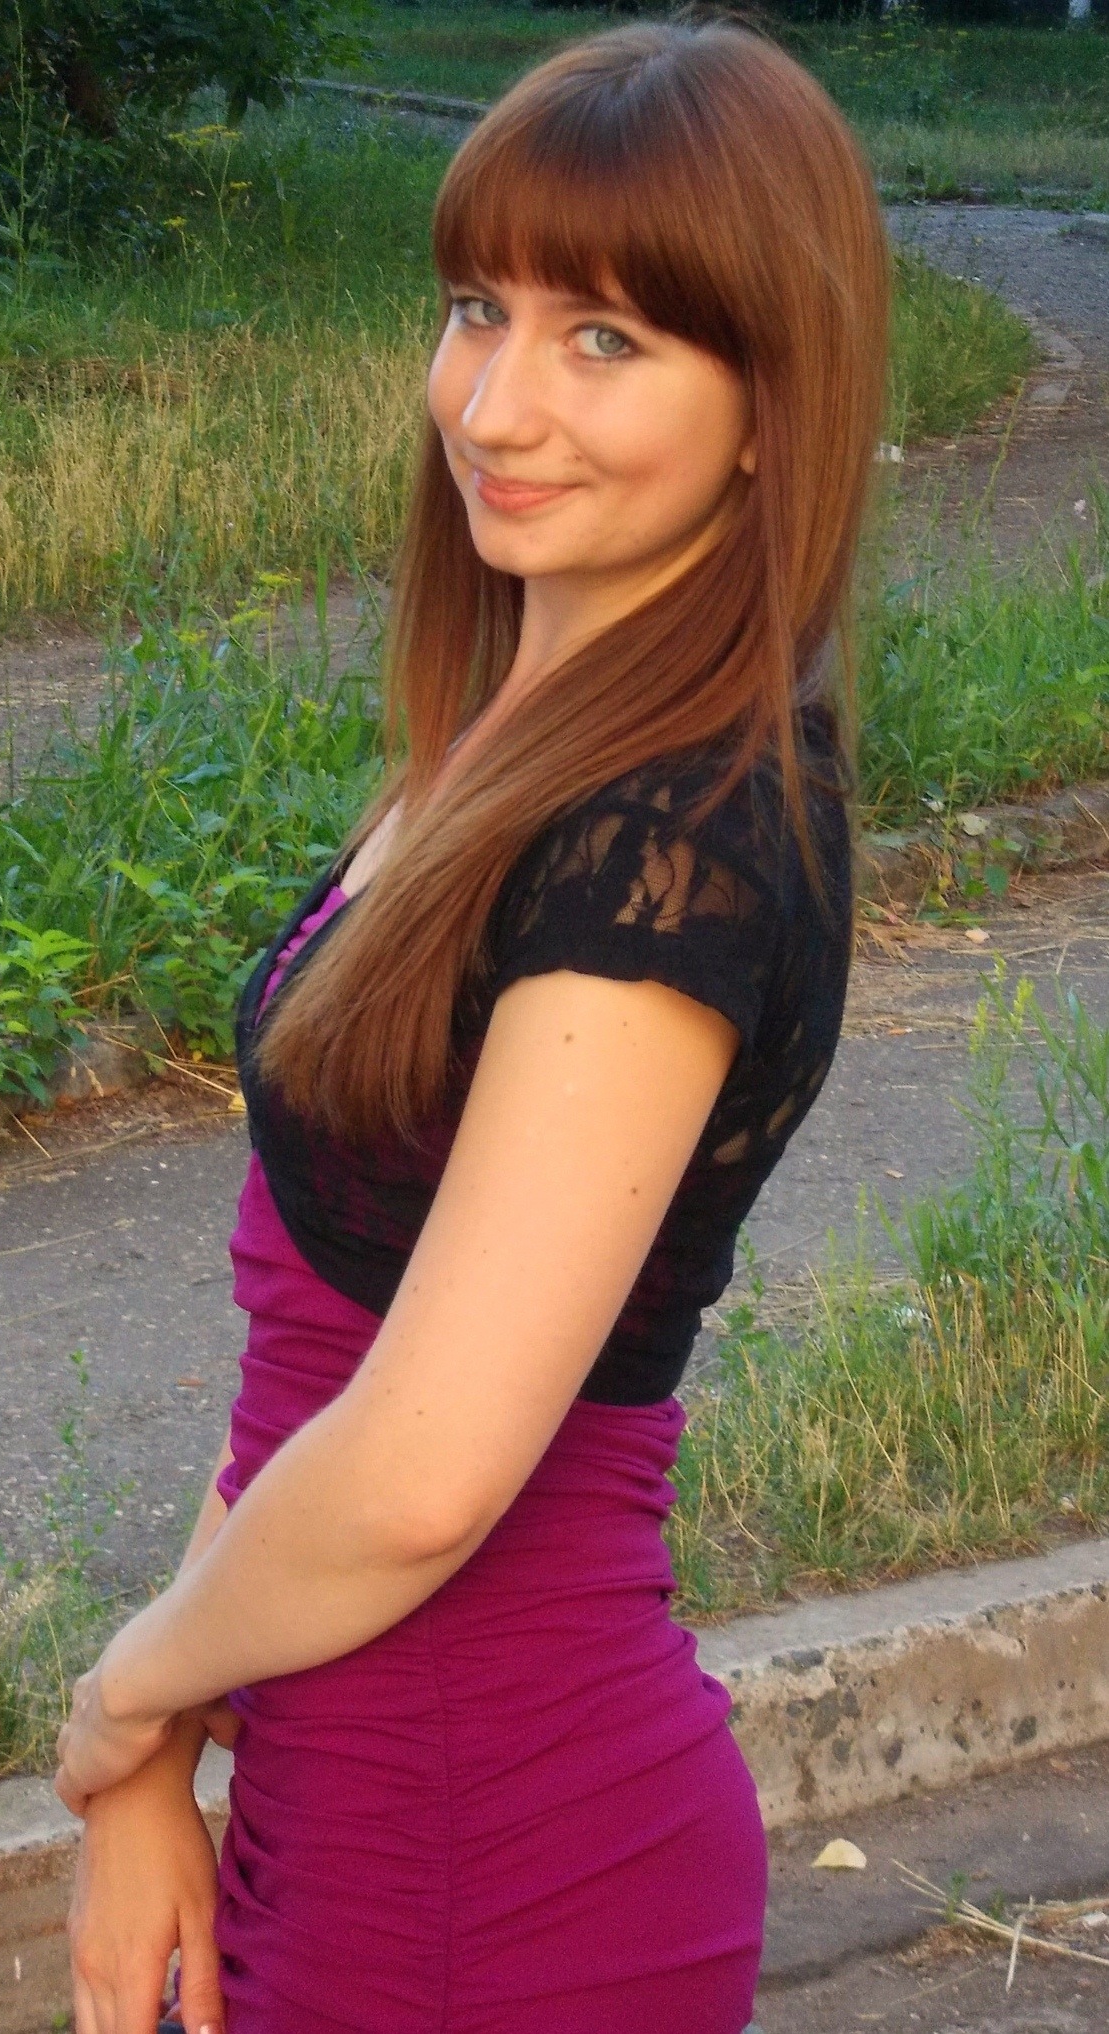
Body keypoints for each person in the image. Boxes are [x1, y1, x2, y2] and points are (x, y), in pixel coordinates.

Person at [55, 20, 889, 2034]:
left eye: (606, 339)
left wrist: (123, 1700)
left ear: (769, 406)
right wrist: (162, 1765)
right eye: (476, 308)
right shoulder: (521, 748)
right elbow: (323, 1349)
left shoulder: (672, 843)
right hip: (358, 1808)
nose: (498, 404)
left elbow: (423, 1469)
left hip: (490, 1863)